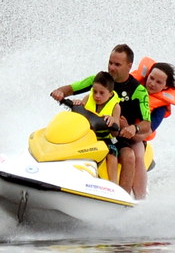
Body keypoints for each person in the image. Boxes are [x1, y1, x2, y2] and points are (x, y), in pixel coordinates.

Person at [50, 44, 151, 198]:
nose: (112, 67)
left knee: (129, 156)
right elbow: (71, 88)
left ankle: (120, 198)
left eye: (117, 64)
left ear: (129, 66)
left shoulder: (138, 91)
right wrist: (59, 92)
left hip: (119, 135)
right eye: (110, 62)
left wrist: (134, 128)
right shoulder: (99, 80)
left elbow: (146, 123)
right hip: (88, 130)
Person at [75, 71, 122, 184]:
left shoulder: (115, 107)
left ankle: (113, 183)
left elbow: (116, 132)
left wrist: (112, 121)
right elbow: (78, 118)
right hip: (88, 136)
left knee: (112, 153)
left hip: (107, 138)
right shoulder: (87, 98)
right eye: (95, 92)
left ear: (110, 94)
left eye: (102, 93)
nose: (97, 96)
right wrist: (77, 104)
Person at [132, 57, 175, 143]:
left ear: (166, 86)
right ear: (148, 75)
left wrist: (131, 135)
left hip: (136, 138)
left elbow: (148, 130)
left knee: (131, 156)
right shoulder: (131, 85)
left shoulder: (161, 107)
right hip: (113, 125)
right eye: (151, 78)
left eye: (158, 82)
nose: (152, 83)